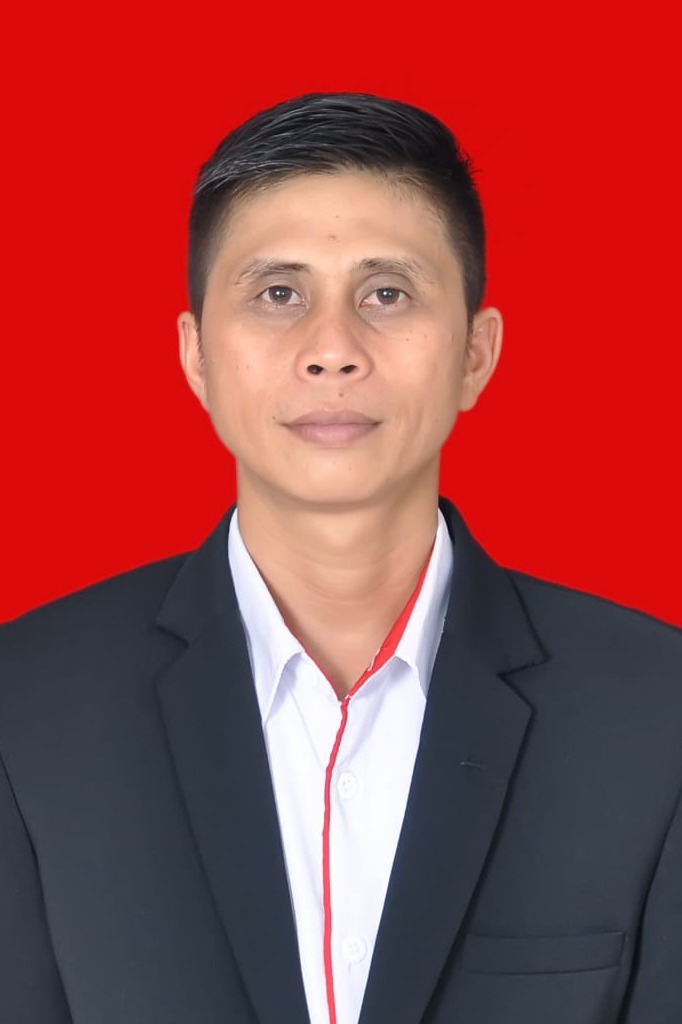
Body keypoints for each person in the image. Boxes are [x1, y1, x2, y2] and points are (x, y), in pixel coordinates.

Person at [0, 92, 680, 1024]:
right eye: (278, 294)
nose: (331, 350)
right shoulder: (29, 705)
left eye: (386, 293)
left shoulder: (655, 713)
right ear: (196, 356)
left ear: (476, 353)